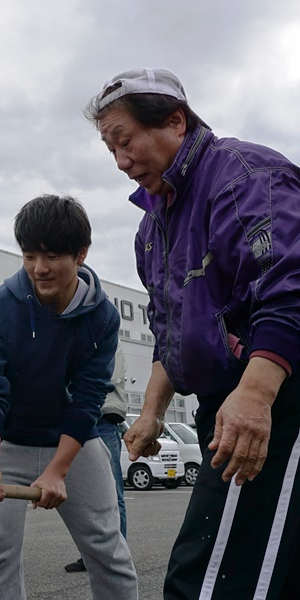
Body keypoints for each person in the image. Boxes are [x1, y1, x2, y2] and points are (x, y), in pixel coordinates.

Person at [86, 67, 300, 599]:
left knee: (206, 576)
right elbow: (169, 331)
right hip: (221, 405)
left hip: (277, 395)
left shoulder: (244, 177)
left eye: (126, 141)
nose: (120, 161)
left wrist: (255, 396)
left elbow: (289, 288)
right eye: (111, 150)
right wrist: (152, 412)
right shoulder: (151, 229)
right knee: (266, 572)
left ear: (176, 122)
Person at [0, 194, 138, 600]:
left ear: (81, 254)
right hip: (6, 442)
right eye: (29, 255)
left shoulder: (102, 316)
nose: (39, 268)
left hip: (75, 441)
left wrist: (58, 469)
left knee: (107, 549)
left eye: (53, 256)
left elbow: (88, 398)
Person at [64, 341, 128, 573]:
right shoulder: (76, 336)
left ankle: (117, 554)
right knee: (83, 494)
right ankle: (90, 555)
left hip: (103, 419)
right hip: (75, 418)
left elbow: (106, 377)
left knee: (112, 492)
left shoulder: (111, 339)